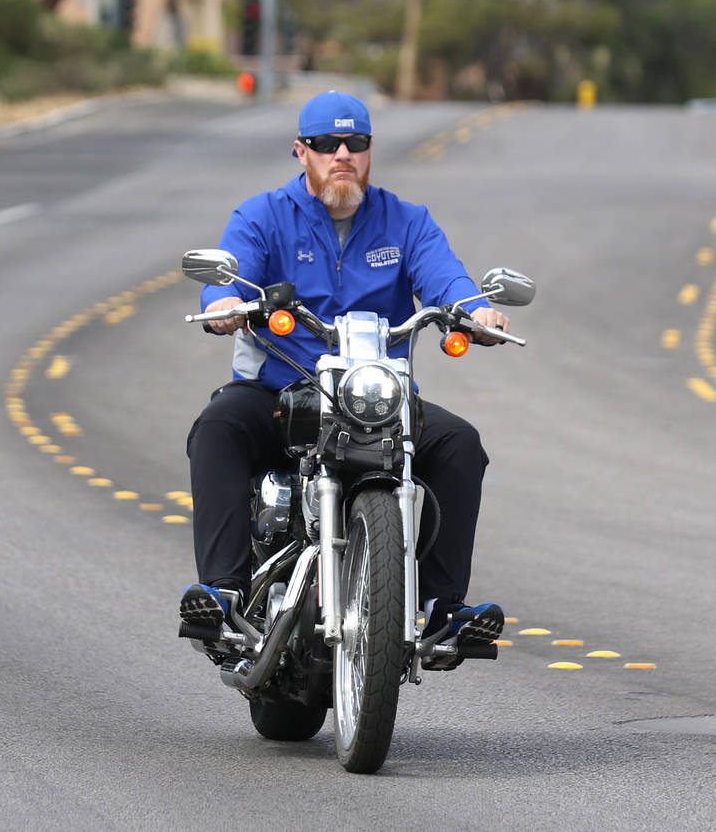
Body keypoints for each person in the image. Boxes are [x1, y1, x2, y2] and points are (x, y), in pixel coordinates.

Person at [180, 91, 510, 667]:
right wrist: (227, 301)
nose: (342, 155)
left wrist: (474, 310)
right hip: (282, 392)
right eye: (326, 145)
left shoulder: (406, 222)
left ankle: (440, 609)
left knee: (460, 445)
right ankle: (224, 592)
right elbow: (227, 273)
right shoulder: (262, 216)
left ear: (370, 151)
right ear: (300, 150)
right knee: (217, 427)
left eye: (355, 144)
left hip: (374, 397)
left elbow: (446, 279)